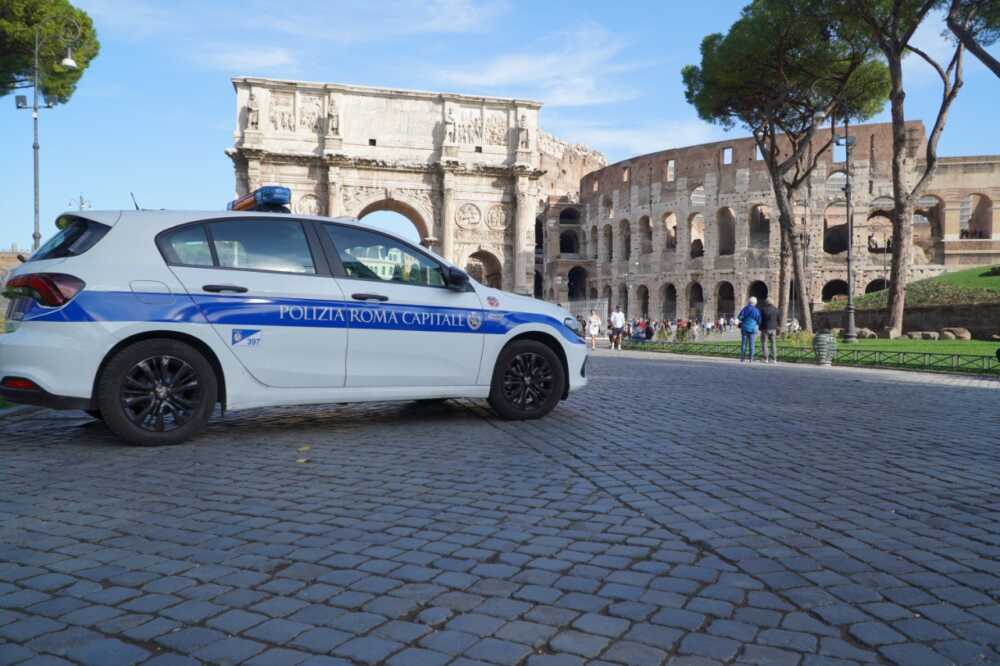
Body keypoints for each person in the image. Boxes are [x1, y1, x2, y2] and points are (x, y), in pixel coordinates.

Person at [737, 296, 762, 363]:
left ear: (749, 302)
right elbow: (759, 320)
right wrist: (756, 323)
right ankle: (751, 358)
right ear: (755, 303)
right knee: (752, 344)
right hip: (753, 329)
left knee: (744, 344)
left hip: (744, 328)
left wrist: (744, 319)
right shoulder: (756, 310)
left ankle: (742, 358)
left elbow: (739, 317)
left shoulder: (745, 308)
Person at [759, 298, 780, 363]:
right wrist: (777, 326)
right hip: (773, 328)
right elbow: (778, 319)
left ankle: (766, 358)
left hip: (765, 328)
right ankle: (774, 358)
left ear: (766, 302)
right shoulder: (776, 309)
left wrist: (760, 327)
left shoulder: (763, 310)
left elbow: (760, 320)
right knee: (773, 343)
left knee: (764, 343)